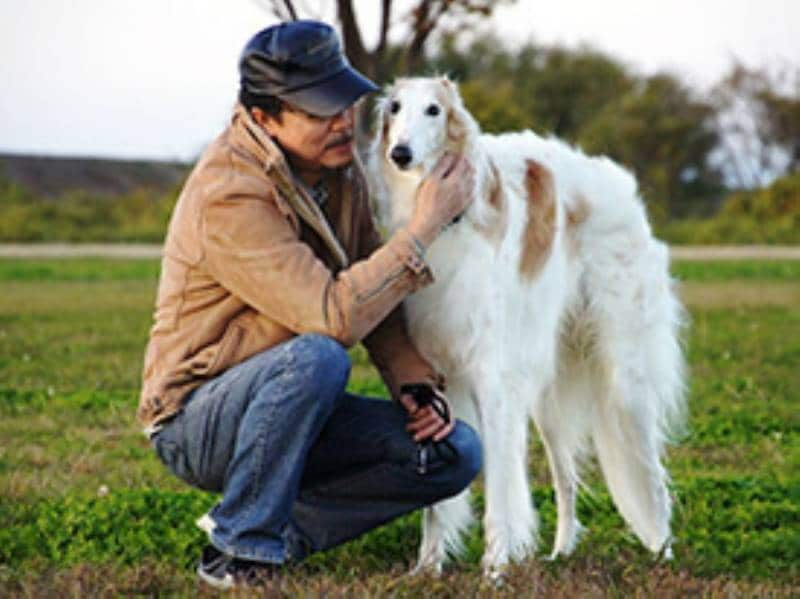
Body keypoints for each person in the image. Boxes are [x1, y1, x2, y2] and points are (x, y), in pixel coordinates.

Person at [137, 19, 481, 590]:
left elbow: (376, 286)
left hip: (290, 405)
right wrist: (423, 228)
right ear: (264, 117)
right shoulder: (229, 193)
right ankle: (240, 550)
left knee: (455, 453)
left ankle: (274, 531)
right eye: (320, 111)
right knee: (319, 355)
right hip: (197, 418)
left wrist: (412, 381)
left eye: (345, 103)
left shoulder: (339, 172)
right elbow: (335, 316)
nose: (343, 122)